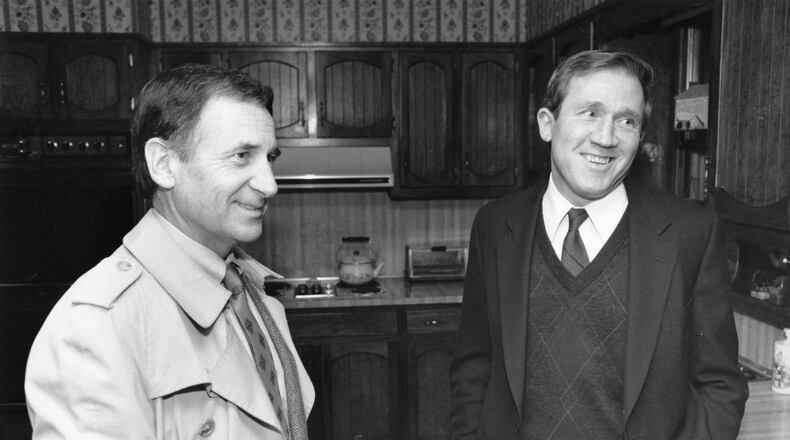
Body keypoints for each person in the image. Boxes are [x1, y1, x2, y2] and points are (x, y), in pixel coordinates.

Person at [449, 50, 748, 440]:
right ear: (547, 123)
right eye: (589, 112)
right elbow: (474, 369)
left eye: (626, 121)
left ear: (640, 137)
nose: (606, 138)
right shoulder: (494, 226)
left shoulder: (691, 232)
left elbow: (720, 383)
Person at [25, 63, 314, 439]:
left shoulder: (252, 293)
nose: (269, 184)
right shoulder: (95, 327)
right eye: (242, 155)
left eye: (269, 158)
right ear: (164, 164)